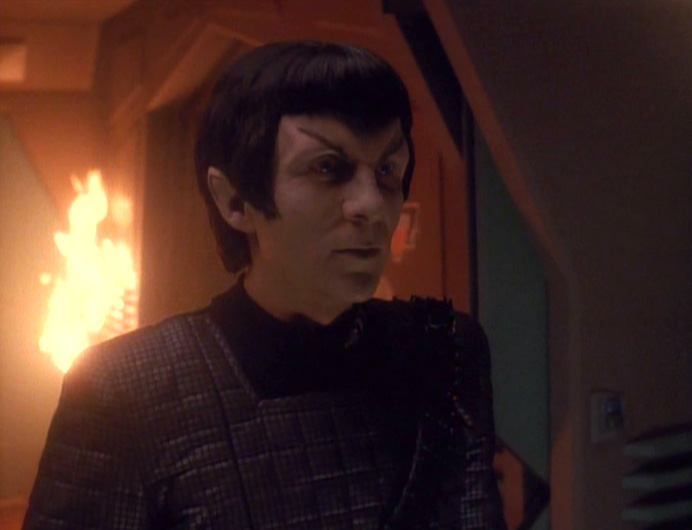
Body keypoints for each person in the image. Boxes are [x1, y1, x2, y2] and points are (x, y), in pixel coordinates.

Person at [23, 41, 507, 530]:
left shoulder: (445, 354)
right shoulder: (124, 391)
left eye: (386, 169)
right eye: (327, 168)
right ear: (235, 201)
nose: (373, 205)